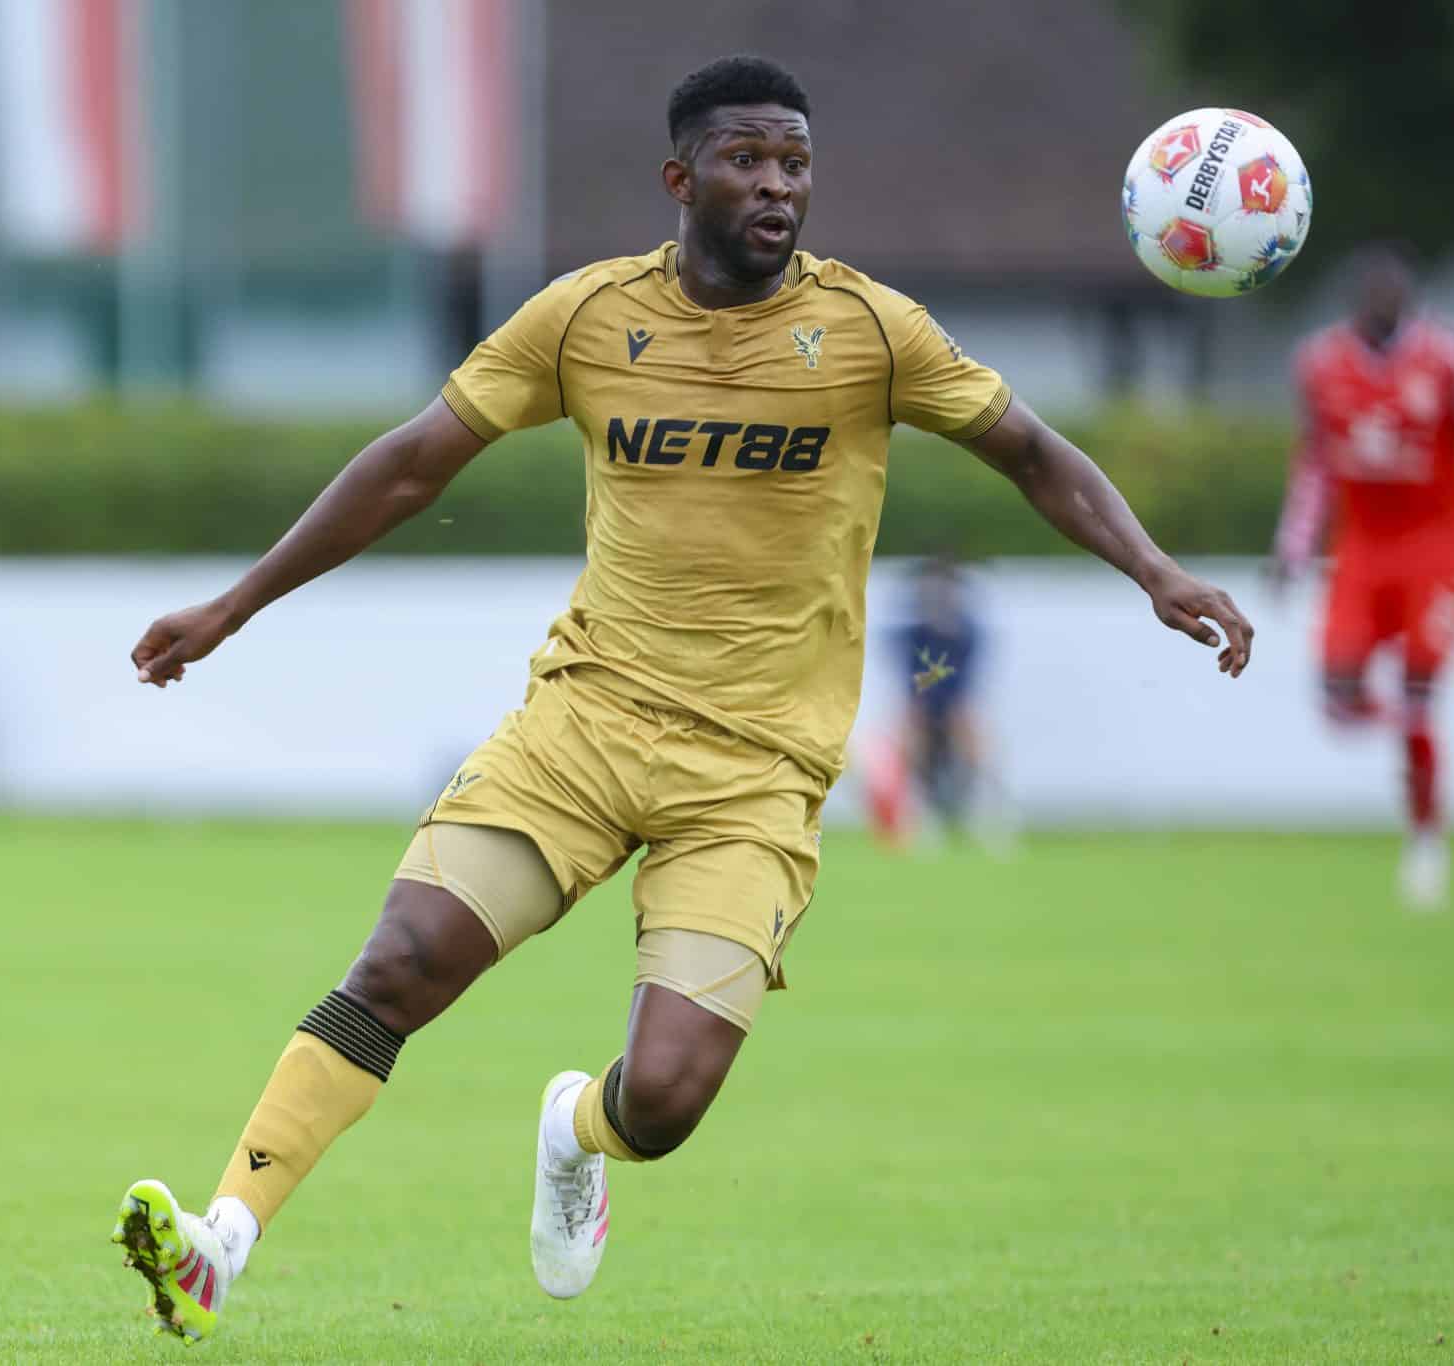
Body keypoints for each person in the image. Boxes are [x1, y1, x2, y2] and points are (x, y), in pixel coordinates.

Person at [111, 56, 1253, 1342]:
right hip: (584, 728)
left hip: (755, 774)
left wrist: (1153, 569)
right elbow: (411, 464)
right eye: (748, 161)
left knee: (660, 1101)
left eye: (796, 165)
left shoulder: (871, 333)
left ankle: (574, 1129)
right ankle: (224, 1238)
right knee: (400, 962)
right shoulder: (584, 320)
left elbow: (1032, 453)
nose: (777, 187)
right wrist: (235, 604)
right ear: (680, 178)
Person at [1269, 244, 1454, 909]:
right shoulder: (1319, 365)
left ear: (1410, 298)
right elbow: (1315, 463)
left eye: (1394, 289)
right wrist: (1293, 547)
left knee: (1421, 678)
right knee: (1336, 699)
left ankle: (1425, 840)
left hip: (1441, 546)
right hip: (1362, 548)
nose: (1382, 300)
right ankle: (1412, 726)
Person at [865, 555, 1001, 848]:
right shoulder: (912, 632)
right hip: (920, 709)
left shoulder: (967, 633)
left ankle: (985, 811)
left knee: (972, 731)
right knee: (908, 734)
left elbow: (964, 685)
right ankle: (917, 813)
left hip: (954, 708)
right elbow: (908, 679)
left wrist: (951, 710)